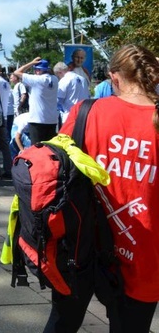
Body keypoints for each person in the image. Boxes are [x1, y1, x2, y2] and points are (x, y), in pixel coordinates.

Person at [44, 44, 159, 333]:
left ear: (114, 78)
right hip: (144, 252)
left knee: (61, 325)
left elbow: (54, 172)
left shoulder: (86, 111)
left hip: (81, 244)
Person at [13, 58, 59, 144]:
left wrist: (31, 62)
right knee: (49, 149)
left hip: (37, 120)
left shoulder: (37, 80)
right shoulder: (55, 79)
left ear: (38, 70)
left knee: (36, 149)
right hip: (52, 120)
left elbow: (17, 72)